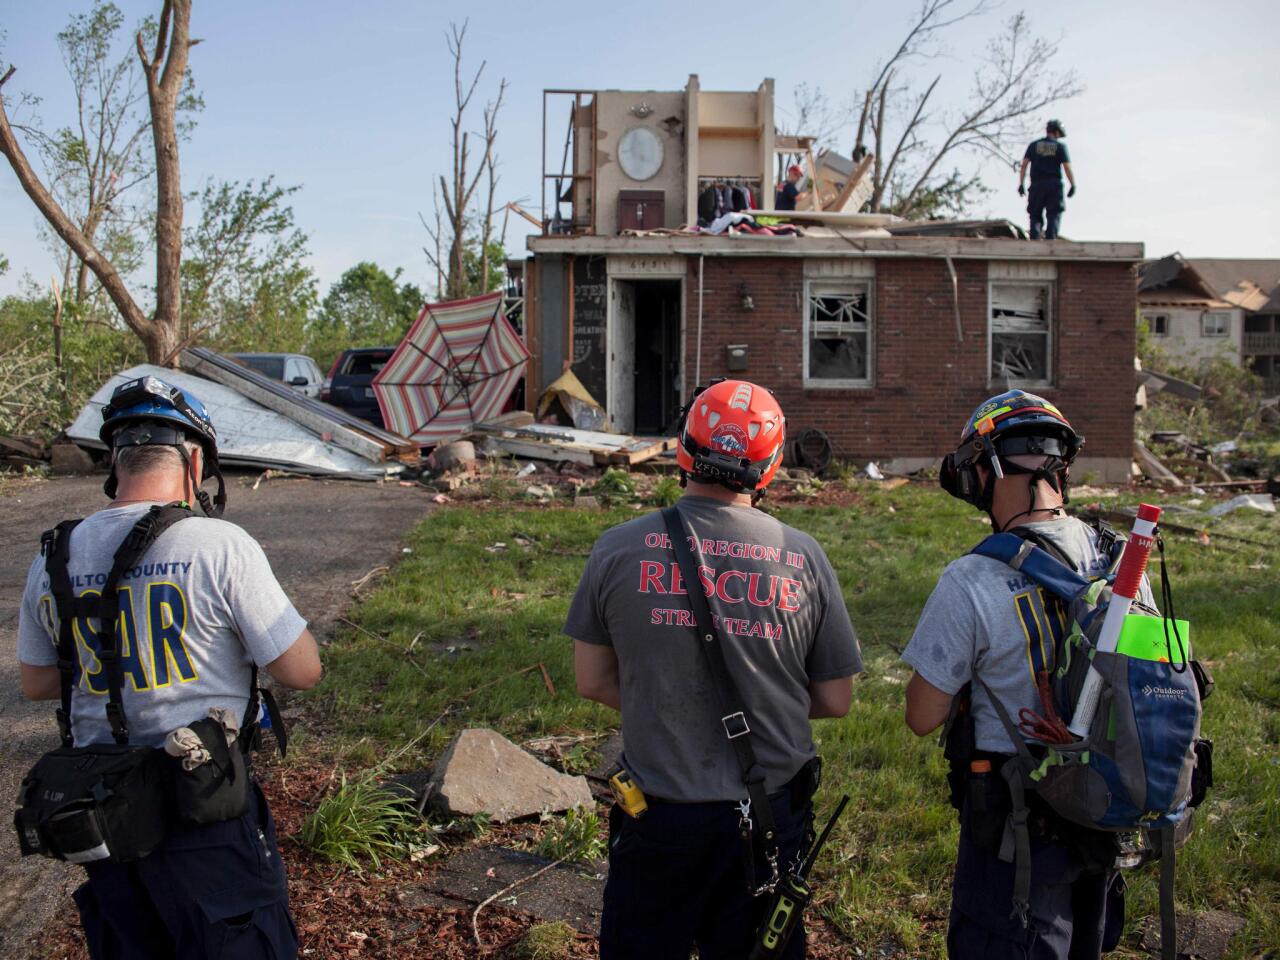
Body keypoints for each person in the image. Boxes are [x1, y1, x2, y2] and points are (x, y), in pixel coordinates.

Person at [17, 375, 322, 960]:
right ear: (196, 459)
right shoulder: (219, 545)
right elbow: (301, 670)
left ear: (116, 459)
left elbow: (38, 682)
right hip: (202, 807)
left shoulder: (52, 554)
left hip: (104, 817)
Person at [566, 378, 861, 960]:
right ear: (771, 465)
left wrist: (672, 703)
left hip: (657, 817)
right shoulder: (803, 557)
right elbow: (836, 698)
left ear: (684, 450)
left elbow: (591, 680)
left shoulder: (617, 548)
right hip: (768, 819)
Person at [901, 390, 1144, 960]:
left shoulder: (971, 579)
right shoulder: (1121, 565)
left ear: (988, 468)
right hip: (1103, 816)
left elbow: (921, 716)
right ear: (1061, 466)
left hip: (1016, 834)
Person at [1018, 120, 1075, 240]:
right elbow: (1066, 167)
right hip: (1054, 185)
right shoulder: (1060, 147)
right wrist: (1072, 184)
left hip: (1036, 185)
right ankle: (1050, 239)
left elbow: (1024, 165)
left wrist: (1021, 184)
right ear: (1057, 132)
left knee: (1035, 214)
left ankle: (1035, 238)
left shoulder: (1034, 145)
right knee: (1054, 213)